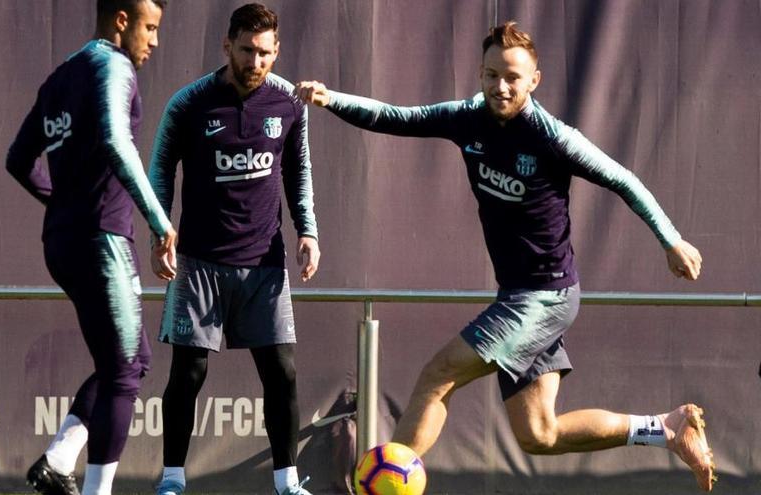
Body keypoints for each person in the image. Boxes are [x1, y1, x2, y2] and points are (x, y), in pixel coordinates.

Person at [297, 21, 715, 492]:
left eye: (513, 77)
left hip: (545, 296)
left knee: (439, 374)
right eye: (492, 75)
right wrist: (332, 99)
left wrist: (671, 240)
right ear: (480, 74)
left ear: (534, 80)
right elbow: (397, 117)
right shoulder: (466, 119)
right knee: (540, 434)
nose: (501, 86)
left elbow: (624, 180)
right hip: (523, 293)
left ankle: (388, 488)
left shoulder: (551, 137)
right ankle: (664, 428)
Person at [147, 3, 320, 495]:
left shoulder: (288, 103)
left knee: (281, 372)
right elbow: (160, 172)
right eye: (247, 50)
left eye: (265, 52)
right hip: (199, 262)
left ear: (277, 50)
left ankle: (288, 484)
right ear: (227, 45)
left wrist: (308, 232)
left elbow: (298, 172)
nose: (256, 61)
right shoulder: (189, 103)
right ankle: (173, 480)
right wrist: (161, 233)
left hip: (265, 263)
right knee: (189, 371)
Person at [5, 1, 177, 494]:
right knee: (125, 371)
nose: (155, 41)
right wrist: (160, 222)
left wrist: (61, 203)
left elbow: (19, 159)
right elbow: (116, 143)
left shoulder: (59, 78)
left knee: (131, 359)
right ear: (121, 20)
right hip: (102, 240)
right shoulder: (112, 64)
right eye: (150, 27)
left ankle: (59, 460)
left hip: (62, 241)